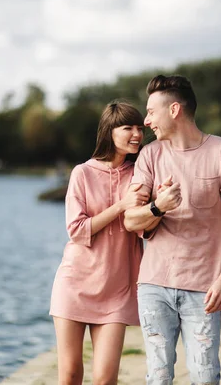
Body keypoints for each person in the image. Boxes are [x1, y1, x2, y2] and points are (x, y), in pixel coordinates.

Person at [124, 75, 221, 384]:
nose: (146, 119)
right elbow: (131, 220)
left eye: (152, 111)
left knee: (206, 376)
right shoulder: (150, 156)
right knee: (158, 376)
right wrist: (159, 206)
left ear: (175, 110)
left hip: (204, 288)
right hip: (154, 286)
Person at [49, 101, 150, 385]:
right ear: (109, 131)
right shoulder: (82, 173)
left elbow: (143, 228)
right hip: (75, 284)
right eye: (127, 127)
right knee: (69, 375)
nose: (136, 134)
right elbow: (77, 230)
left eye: (140, 128)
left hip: (117, 289)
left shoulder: (139, 173)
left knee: (105, 380)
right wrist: (121, 205)